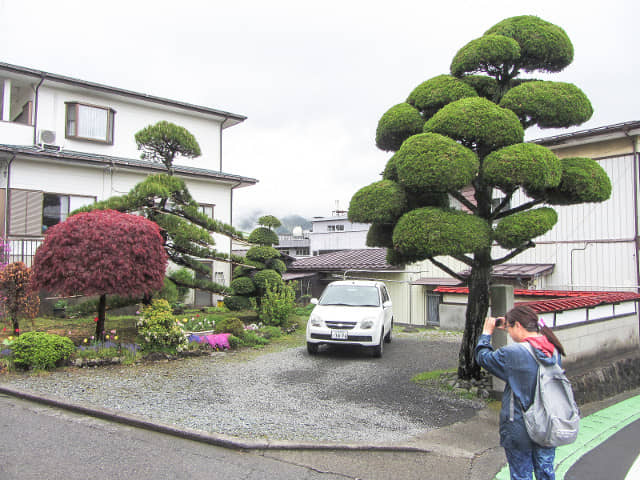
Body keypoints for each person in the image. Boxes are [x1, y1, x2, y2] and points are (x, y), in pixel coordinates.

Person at [475, 305, 566, 480]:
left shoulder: (514, 353)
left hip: (519, 425)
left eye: (509, 328)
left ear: (518, 326)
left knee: (521, 474)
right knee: (545, 471)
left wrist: (487, 333)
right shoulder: (553, 349)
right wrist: (509, 321)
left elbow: (483, 357)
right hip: (549, 421)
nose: (508, 332)